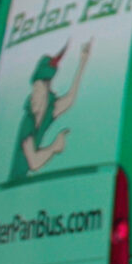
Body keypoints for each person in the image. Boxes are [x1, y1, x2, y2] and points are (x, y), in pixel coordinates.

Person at [10, 38, 89, 179]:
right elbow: (34, 163)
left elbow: (69, 99)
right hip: (16, 182)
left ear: (47, 92)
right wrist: (54, 147)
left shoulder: (48, 111)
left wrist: (82, 63)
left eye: (39, 89)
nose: (34, 96)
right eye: (34, 89)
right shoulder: (28, 122)